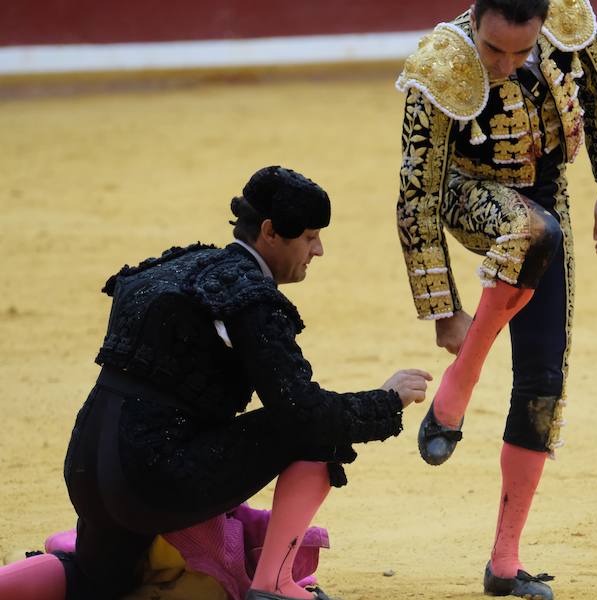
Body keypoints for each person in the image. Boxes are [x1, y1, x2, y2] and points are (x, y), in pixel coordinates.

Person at [0, 166, 431, 600]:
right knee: (310, 430)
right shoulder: (247, 295)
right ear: (270, 232)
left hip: (87, 469)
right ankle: (275, 585)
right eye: (309, 236)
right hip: (152, 476)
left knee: (91, 581)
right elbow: (304, 413)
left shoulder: (176, 266)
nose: (318, 250)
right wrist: (385, 400)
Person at [395, 0, 597, 597]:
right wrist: (445, 311)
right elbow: (417, 196)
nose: (507, 63)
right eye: (494, 49)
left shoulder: (568, 19)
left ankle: (504, 562)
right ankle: (460, 384)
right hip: (466, 191)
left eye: (522, 51)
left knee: (545, 379)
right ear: (474, 20)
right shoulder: (441, 63)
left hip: (549, 198)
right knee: (534, 230)